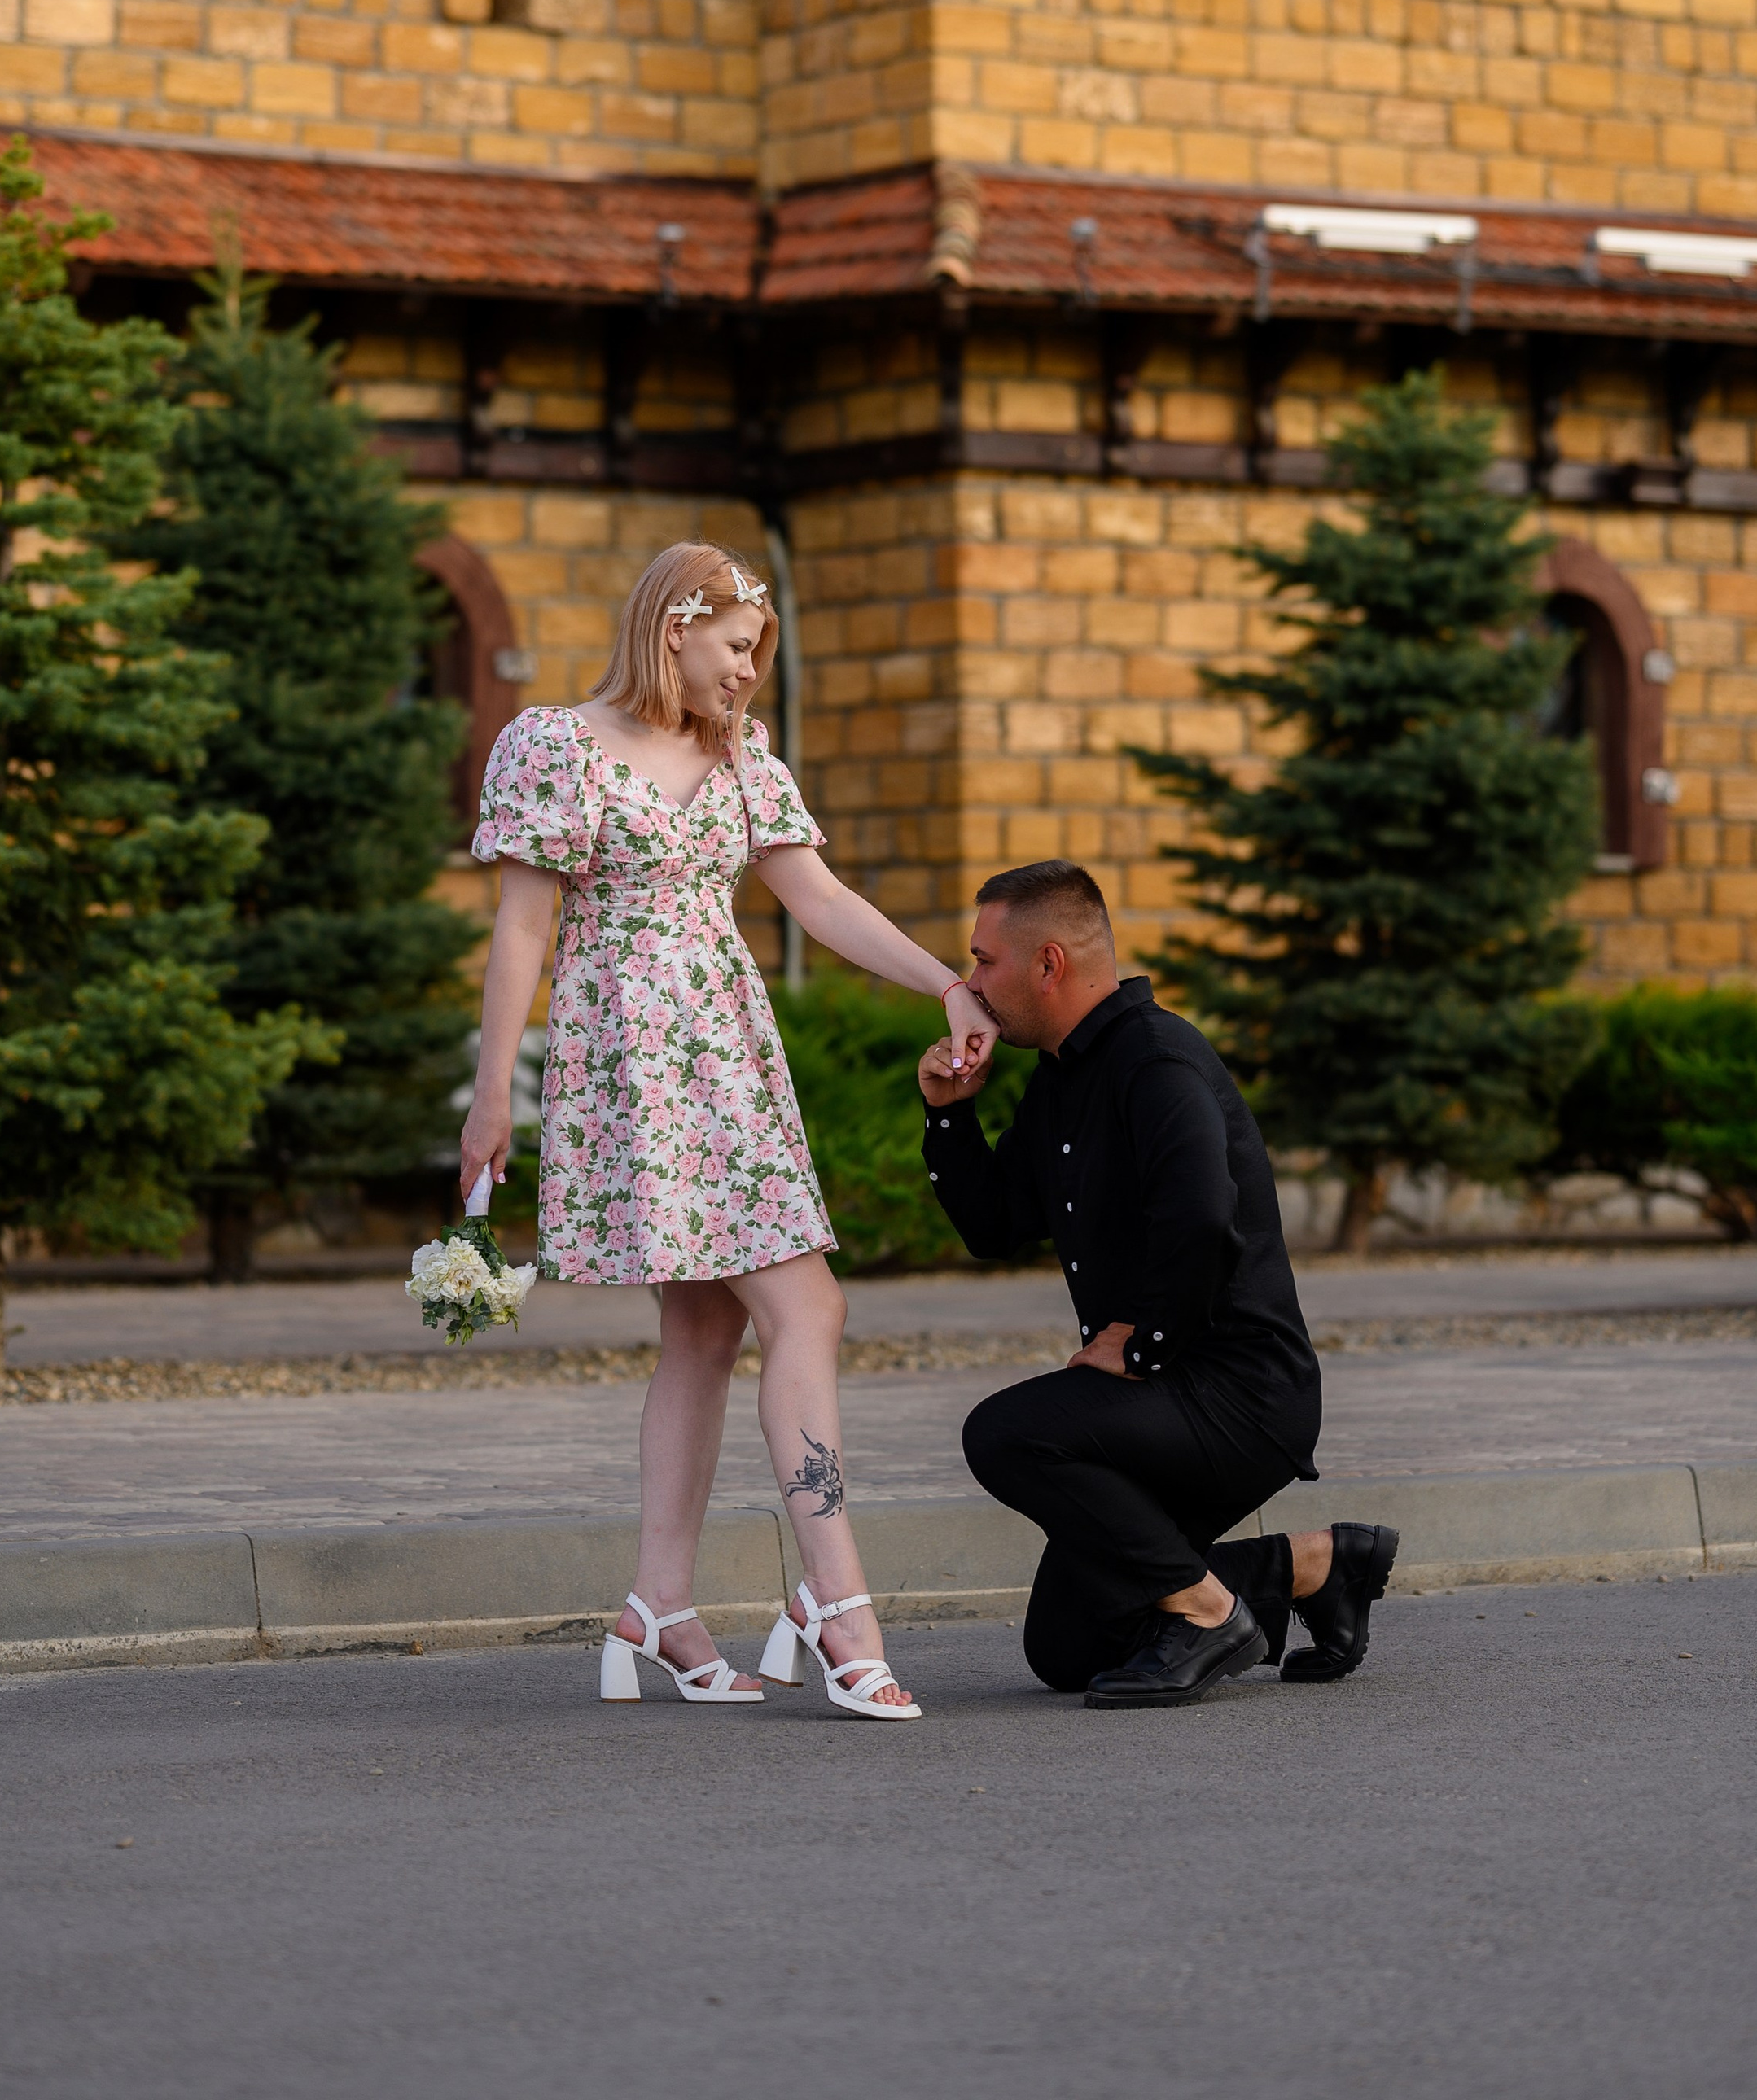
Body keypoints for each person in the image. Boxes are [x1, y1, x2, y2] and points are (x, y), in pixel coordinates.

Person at [458, 540, 996, 1723]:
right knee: (808, 1305)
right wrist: (495, 1093)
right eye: (738, 648)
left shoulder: (746, 759)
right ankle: (837, 1603)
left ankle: (658, 1607)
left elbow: (820, 897)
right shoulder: (555, 744)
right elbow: (519, 933)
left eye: (760, 654)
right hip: (636, 1068)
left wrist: (947, 986)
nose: (751, 673)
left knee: (707, 1328)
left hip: (731, 1061)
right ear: (672, 629)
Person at [920, 860, 1399, 1708]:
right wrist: (951, 1112)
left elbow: (1201, 1217)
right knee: (1069, 1646)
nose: (970, 982)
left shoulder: (1157, 1059)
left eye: (984, 960)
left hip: (1241, 1395)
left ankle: (1211, 1614)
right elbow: (995, 1227)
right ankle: (1313, 1566)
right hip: (1167, 1395)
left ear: (1050, 963)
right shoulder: (1061, 1077)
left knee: (1004, 1431)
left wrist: (1142, 1343)